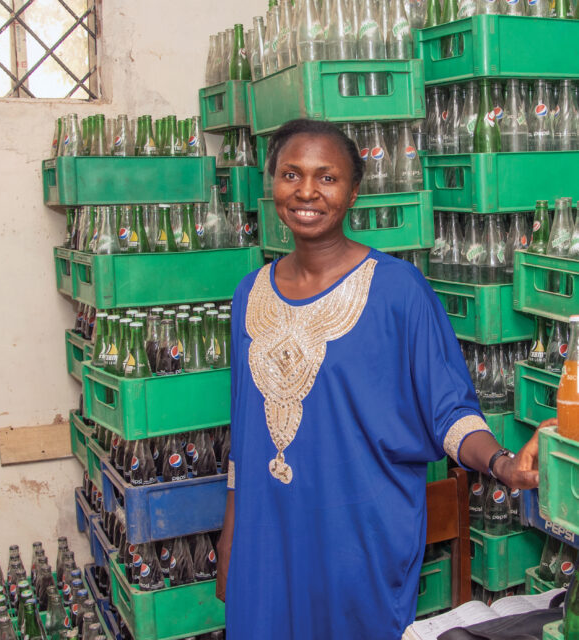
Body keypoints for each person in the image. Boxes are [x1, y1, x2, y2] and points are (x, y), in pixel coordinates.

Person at [215, 118, 551, 639]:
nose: (306, 191)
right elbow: (244, 428)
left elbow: (450, 410)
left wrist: (503, 465)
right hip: (265, 534)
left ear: (353, 192)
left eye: (327, 178)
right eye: (290, 174)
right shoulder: (247, 294)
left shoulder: (399, 291)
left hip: (356, 538)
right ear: (272, 185)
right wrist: (231, 533)